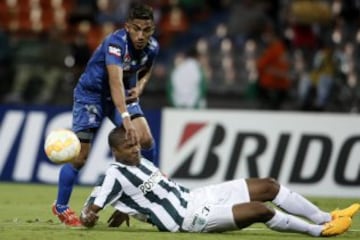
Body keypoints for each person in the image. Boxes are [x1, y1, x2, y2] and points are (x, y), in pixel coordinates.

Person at [79, 126, 360, 237]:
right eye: (129, 146)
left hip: (196, 196)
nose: (136, 148)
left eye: (136, 143)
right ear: (116, 151)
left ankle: (326, 216)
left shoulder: (140, 161)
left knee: (268, 186)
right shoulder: (114, 174)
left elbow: (143, 194)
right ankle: (318, 232)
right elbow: (91, 210)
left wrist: (125, 207)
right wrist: (89, 215)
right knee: (260, 210)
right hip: (188, 218)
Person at [51, 3, 159, 227]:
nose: (141, 35)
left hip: (121, 97)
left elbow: (146, 69)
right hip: (91, 96)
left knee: (146, 140)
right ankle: (60, 206)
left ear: (152, 29)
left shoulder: (152, 47)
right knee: (80, 157)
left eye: (146, 30)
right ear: (127, 26)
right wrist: (126, 119)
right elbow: (115, 81)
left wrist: (140, 86)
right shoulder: (115, 44)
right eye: (136, 29)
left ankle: (143, 195)